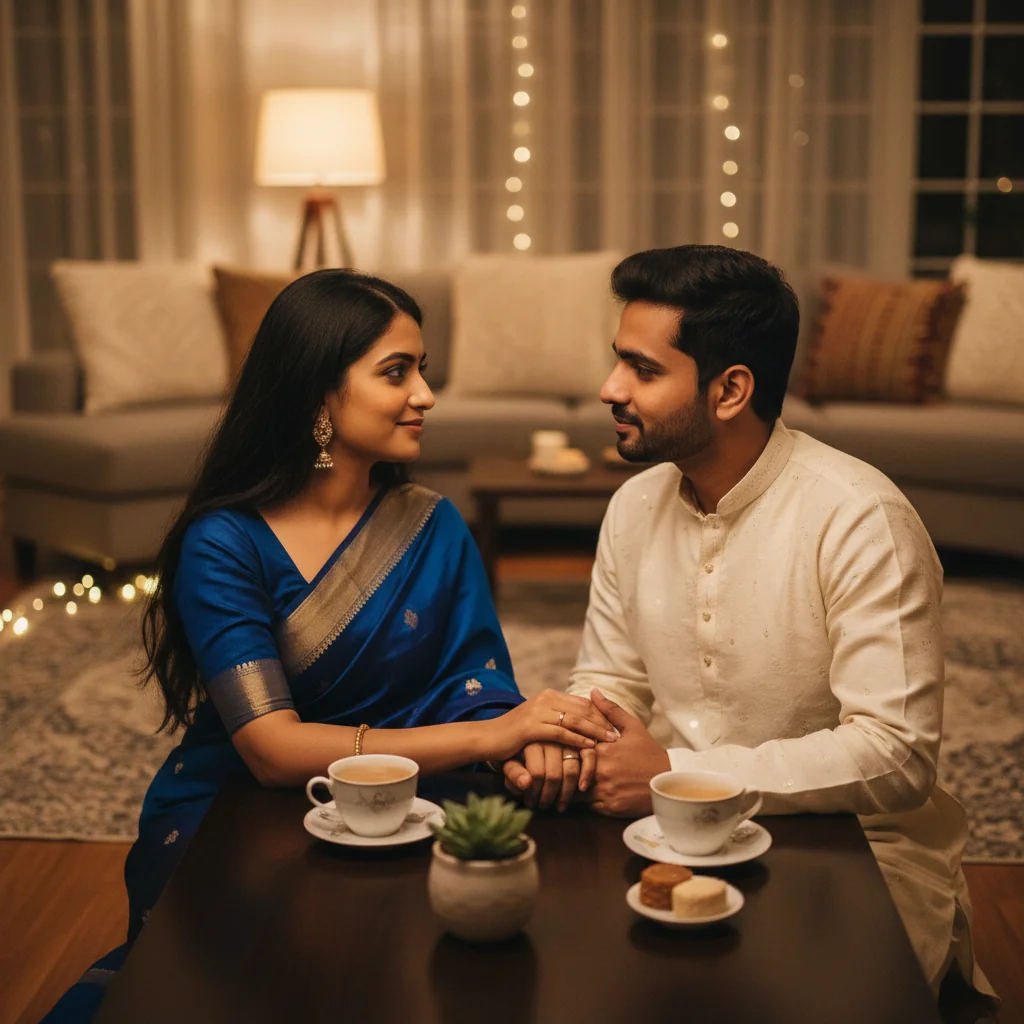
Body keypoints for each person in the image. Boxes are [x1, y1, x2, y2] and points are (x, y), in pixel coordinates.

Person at [44, 269, 615, 1022]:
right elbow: (272, 751)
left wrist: (524, 744)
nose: (426, 394)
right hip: (246, 809)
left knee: (506, 911)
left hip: (420, 790)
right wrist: (492, 733)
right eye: (396, 371)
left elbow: (476, 684)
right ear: (318, 390)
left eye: (421, 368)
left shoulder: (432, 525)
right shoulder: (225, 543)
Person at [502, 245, 996, 1002]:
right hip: (658, 823)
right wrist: (573, 746)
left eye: (642, 369)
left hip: (852, 843)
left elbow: (895, 758)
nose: (609, 389)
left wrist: (675, 773)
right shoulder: (632, 507)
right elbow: (611, 680)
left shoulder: (861, 519)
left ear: (730, 389)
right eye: (617, 362)